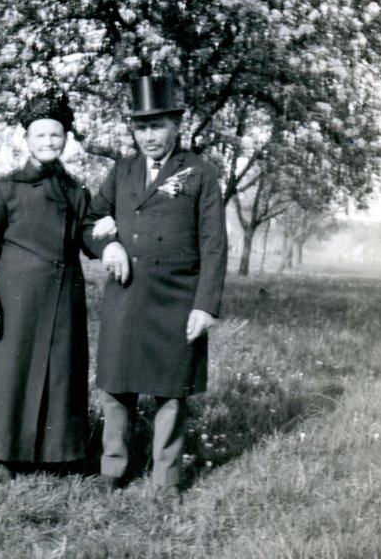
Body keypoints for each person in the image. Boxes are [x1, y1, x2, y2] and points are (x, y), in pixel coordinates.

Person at [83, 75, 227, 500]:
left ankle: (165, 478)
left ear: (176, 126)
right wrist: (108, 245)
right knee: (116, 384)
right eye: (141, 127)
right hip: (126, 294)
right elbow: (89, 223)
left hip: (177, 299)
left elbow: (214, 244)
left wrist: (205, 306)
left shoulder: (200, 173)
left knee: (171, 391)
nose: (148, 135)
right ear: (132, 130)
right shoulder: (122, 170)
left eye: (157, 126)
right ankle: (114, 466)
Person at [0, 92, 92, 476]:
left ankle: (55, 454)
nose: (49, 142)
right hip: (16, 300)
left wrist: (107, 234)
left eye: (56, 135)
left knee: (59, 375)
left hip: (64, 298)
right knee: (9, 376)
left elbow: (87, 235)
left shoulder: (76, 190)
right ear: (27, 140)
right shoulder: (6, 189)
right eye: (41, 136)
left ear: (66, 138)